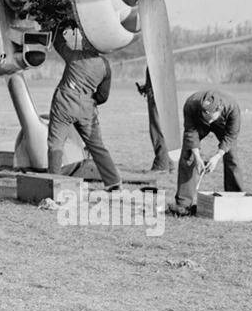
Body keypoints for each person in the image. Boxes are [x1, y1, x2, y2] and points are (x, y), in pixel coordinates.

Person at [46, 23, 123, 190]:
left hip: (64, 103)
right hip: (87, 108)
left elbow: (58, 44)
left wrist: (58, 25)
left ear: (87, 44)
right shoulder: (105, 66)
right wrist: (88, 99)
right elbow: (103, 96)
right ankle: (113, 183)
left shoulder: (74, 57)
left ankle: (53, 183)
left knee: (56, 144)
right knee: (97, 146)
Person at [172, 87, 244, 215]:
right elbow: (190, 133)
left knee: (231, 156)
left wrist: (217, 156)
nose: (208, 120)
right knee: (188, 155)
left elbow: (231, 136)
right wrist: (197, 157)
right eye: (205, 115)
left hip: (222, 125)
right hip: (198, 124)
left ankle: (235, 198)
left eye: (211, 117)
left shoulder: (232, 108)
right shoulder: (191, 104)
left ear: (219, 109)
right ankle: (183, 204)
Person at [136, 68, 171, 172]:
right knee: (161, 128)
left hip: (157, 96)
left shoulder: (156, 55)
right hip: (159, 94)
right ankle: (168, 162)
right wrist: (146, 87)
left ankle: (161, 164)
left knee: (156, 129)